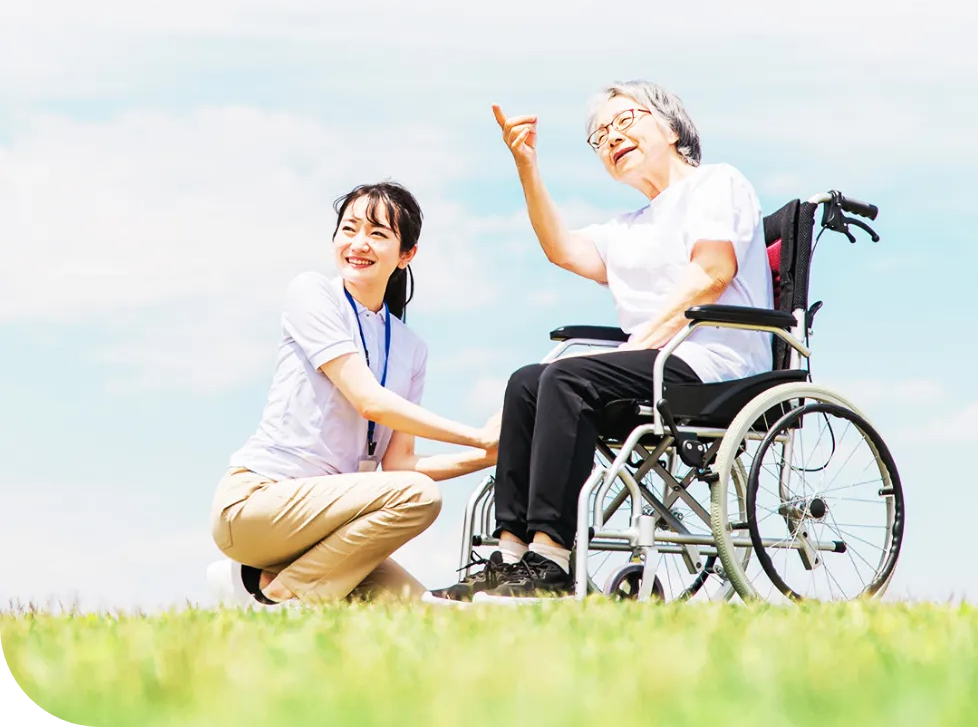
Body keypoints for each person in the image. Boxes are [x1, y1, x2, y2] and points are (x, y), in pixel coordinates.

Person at [427, 81, 773, 602]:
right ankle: (511, 557)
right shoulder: (627, 227)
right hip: (652, 368)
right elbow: (562, 250)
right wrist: (527, 165)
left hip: (713, 365)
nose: (611, 137)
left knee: (566, 378)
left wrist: (635, 347)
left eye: (624, 121)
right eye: (600, 135)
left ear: (672, 127)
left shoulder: (716, 185)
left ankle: (551, 559)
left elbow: (712, 272)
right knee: (528, 382)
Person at [207, 180, 500, 607]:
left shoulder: (410, 348)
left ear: (406, 256)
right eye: (349, 229)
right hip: (256, 504)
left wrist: (492, 455)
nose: (358, 243)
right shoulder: (312, 293)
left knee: (430, 615)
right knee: (419, 497)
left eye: (378, 234)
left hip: (330, 526)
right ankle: (282, 595)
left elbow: (400, 463)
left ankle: (268, 586)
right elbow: (369, 400)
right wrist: (477, 436)